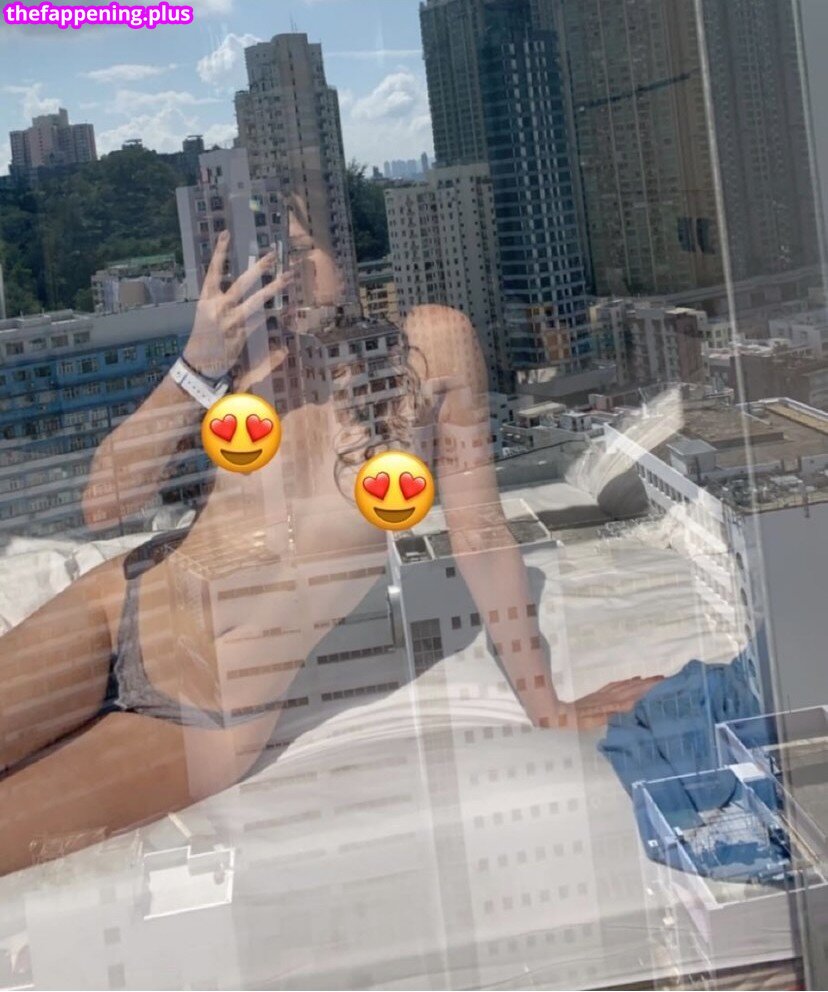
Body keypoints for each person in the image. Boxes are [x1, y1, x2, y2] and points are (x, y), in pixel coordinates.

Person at [0, 231, 661, 877]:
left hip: (208, 709)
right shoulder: (248, 356)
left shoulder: (430, 347)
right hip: (116, 607)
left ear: (340, 239)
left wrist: (549, 708)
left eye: (300, 248)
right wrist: (196, 365)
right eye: (267, 253)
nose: (286, 272)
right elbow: (104, 505)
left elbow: (481, 535)